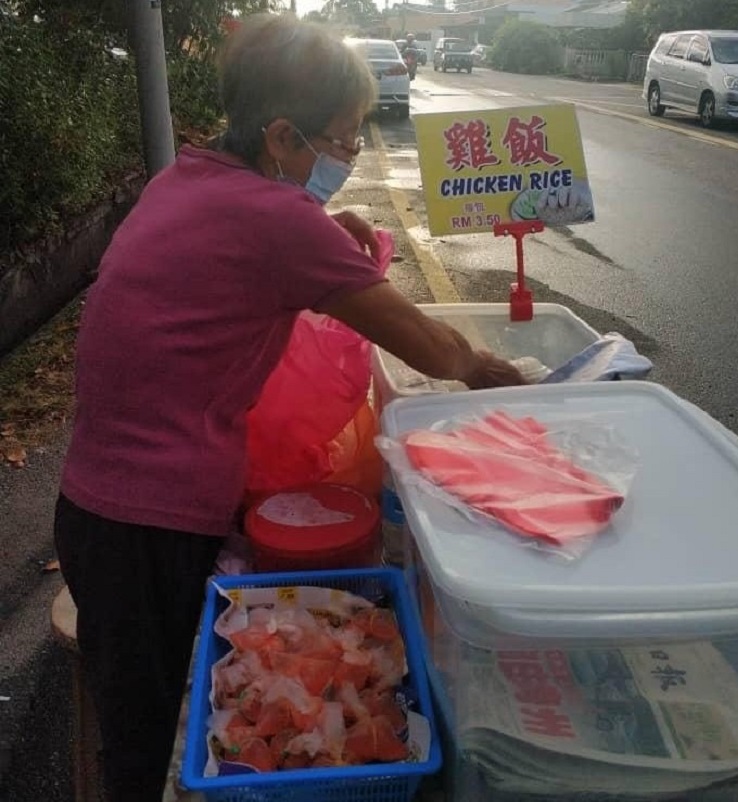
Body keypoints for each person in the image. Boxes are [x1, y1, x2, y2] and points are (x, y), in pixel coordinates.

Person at [53, 14, 524, 802]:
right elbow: (425, 343)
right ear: (280, 135)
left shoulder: (190, 176)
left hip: (101, 506)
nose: (347, 159)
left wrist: (322, 233)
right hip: (147, 525)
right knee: (153, 744)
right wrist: (491, 370)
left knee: (146, 717)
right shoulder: (274, 218)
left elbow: (244, 262)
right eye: (340, 143)